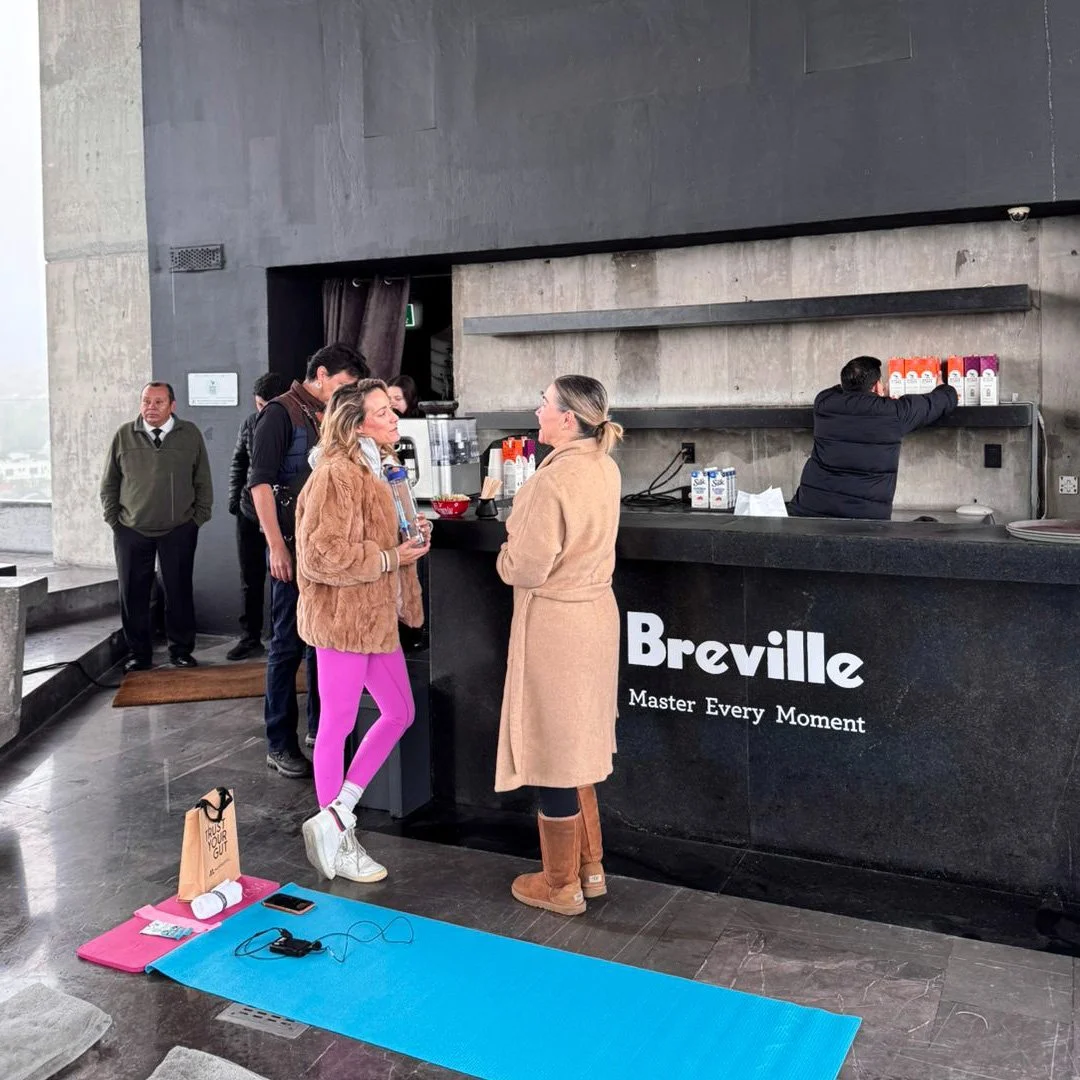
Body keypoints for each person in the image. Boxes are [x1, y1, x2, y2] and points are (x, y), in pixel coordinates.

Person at [495, 375, 623, 917]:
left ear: (567, 418)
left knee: (551, 748)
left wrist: (503, 553)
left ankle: (559, 885)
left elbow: (525, 565)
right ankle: (590, 871)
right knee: (582, 743)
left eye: (544, 402)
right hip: (596, 617)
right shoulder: (605, 465)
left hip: (555, 626)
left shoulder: (548, 484)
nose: (537, 409)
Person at [295, 380, 430, 883]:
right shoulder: (336, 475)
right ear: (355, 424)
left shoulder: (380, 467)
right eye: (381, 412)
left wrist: (409, 539)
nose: (394, 416)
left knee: (400, 711)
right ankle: (340, 840)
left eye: (391, 409)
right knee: (338, 723)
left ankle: (335, 815)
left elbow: (379, 538)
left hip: (375, 614)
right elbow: (321, 555)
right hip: (343, 616)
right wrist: (392, 556)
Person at [247, 343, 368, 778]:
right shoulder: (280, 413)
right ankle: (279, 743)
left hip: (325, 550)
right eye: (342, 385)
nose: (345, 395)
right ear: (320, 374)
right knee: (285, 645)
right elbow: (259, 485)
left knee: (323, 643)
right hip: (291, 547)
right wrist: (276, 546)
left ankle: (322, 731)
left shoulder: (327, 415)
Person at [100, 381, 213, 672]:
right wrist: (116, 521)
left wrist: (196, 520)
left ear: (172, 405)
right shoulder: (124, 435)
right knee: (133, 594)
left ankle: (181, 651)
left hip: (178, 529)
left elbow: (203, 480)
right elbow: (110, 483)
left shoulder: (189, 434)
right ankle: (139, 654)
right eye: (146, 401)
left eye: (158, 402)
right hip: (131, 529)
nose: (151, 407)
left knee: (178, 591)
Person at [789, 356, 958, 520]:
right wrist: (944, 387)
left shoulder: (823, 402)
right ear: (877, 387)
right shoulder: (893, 412)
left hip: (808, 511)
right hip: (864, 521)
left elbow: (839, 392)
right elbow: (938, 401)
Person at [226, 371, 290, 661]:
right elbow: (239, 463)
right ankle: (250, 637)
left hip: (285, 515)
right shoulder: (249, 424)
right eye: (258, 405)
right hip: (249, 514)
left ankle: (289, 638)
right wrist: (234, 502)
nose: (262, 412)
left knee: (287, 577)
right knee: (249, 578)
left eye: (267, 406)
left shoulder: (294, 422)